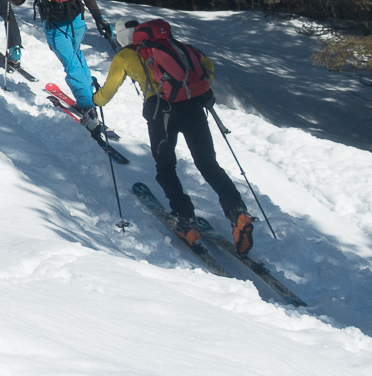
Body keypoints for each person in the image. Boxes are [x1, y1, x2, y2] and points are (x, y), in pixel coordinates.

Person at [93, 18, 256, 255]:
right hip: (193, 108)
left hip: (162, 114)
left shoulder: (125, 57)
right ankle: (238, 213)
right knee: (208, 164)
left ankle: (186, 222)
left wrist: (92, 100)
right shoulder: (176, 47)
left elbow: (107, 93)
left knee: (166, 167)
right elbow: (207, 66)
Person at [10, 0, 113, 119]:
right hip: (77, 22)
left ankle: (87, 105)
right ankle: (89, 92)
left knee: (71, 64)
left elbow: (18, 0)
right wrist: (99, 18)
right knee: (77, 55)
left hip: (55, 26)